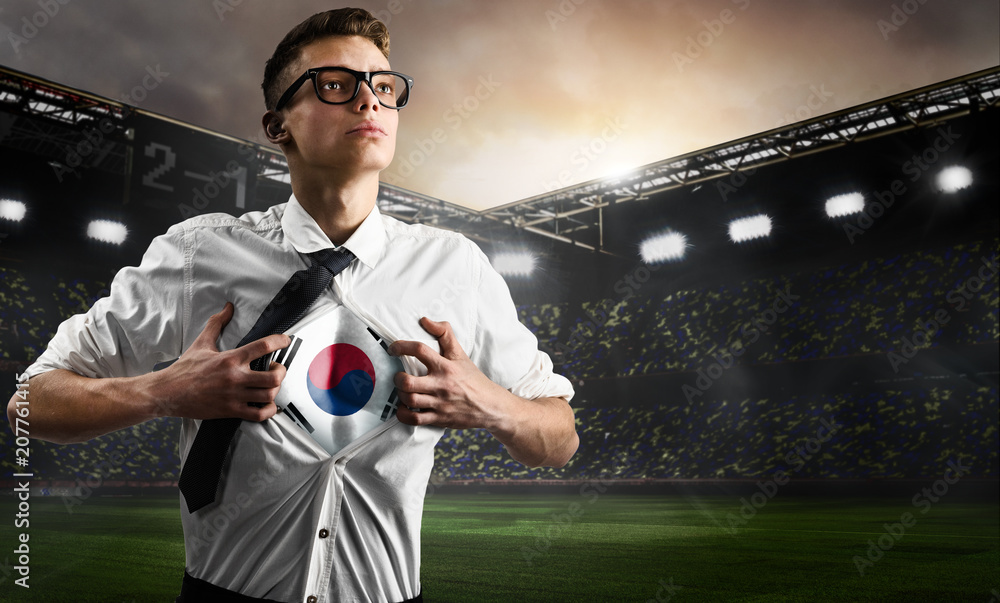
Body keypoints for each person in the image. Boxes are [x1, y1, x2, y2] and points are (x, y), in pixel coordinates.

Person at [7, 8, 578, 603]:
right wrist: (162, 392)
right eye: (336, 85)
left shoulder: (456, 267)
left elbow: (559, 437)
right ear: (278, 124)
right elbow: (27, 404)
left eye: (384, 86)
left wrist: (491, 404)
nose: (369, 101)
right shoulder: (197, 256)